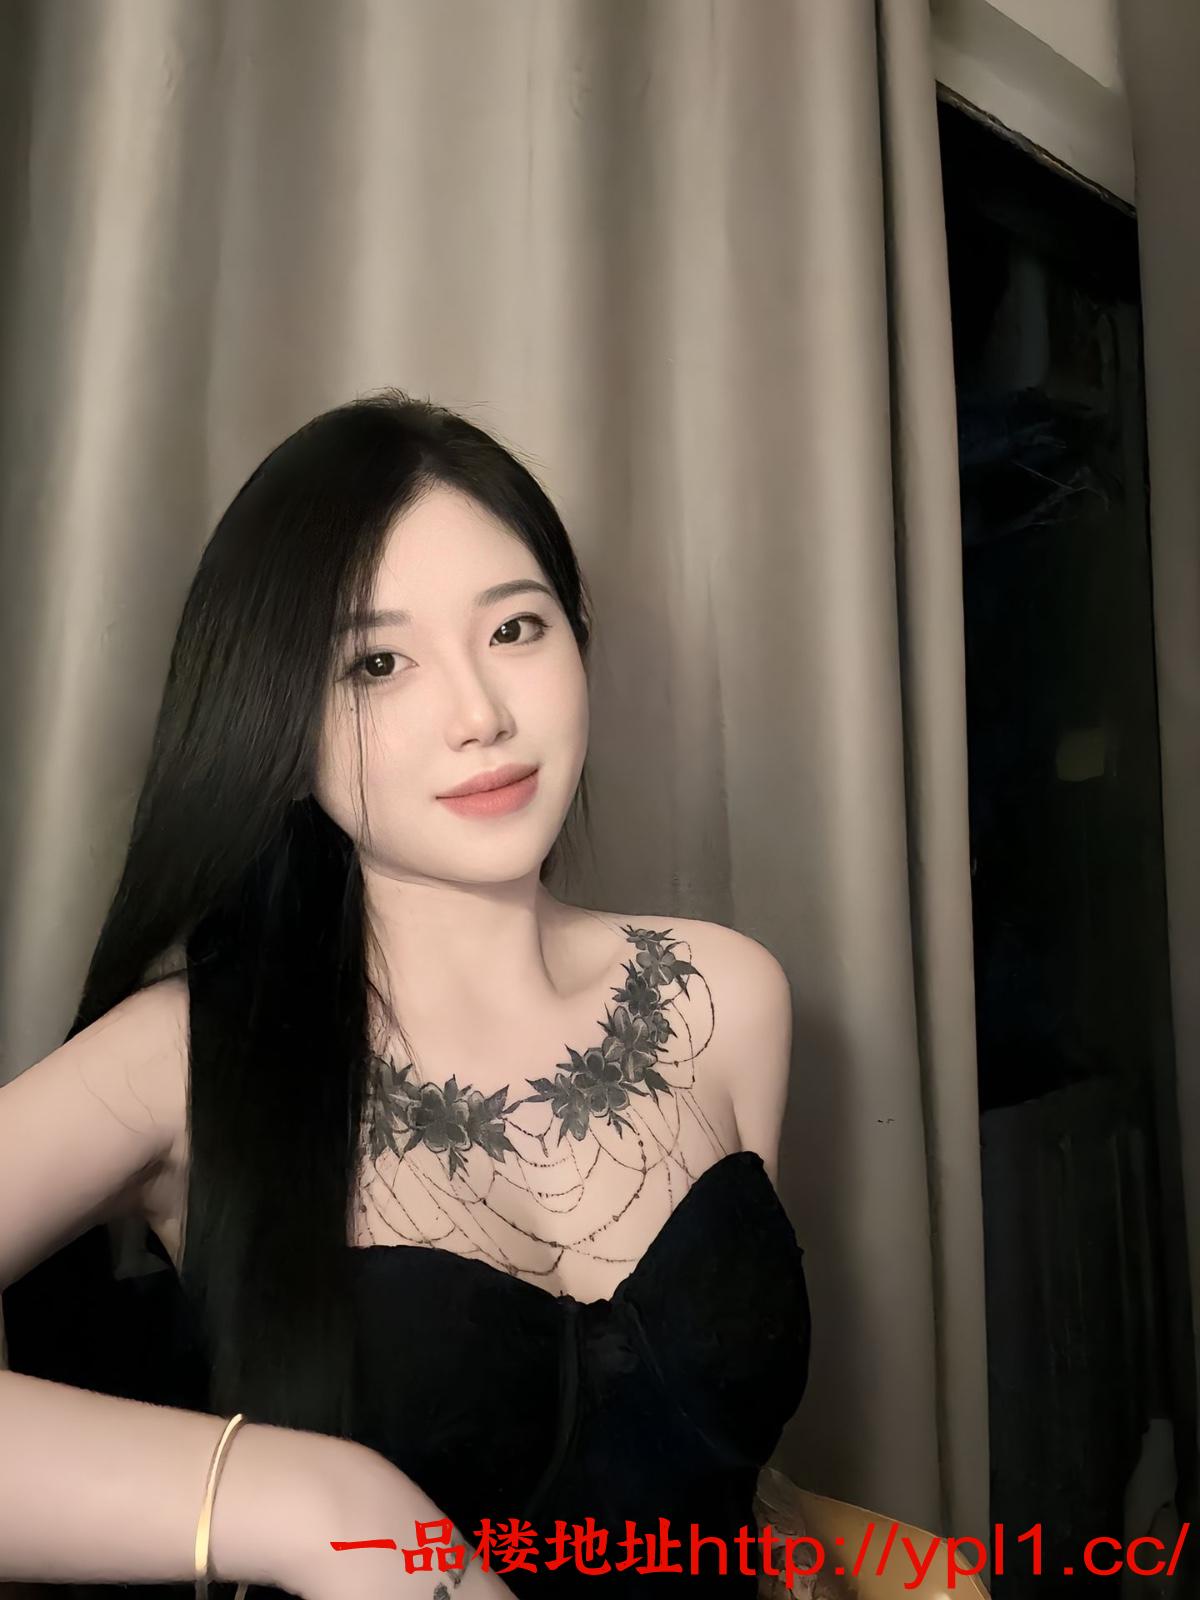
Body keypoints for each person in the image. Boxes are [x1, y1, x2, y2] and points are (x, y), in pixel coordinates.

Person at [0, 392, 811, 1599]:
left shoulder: (728, 997)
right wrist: (315, 1505)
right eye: (377, 662)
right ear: (278, 720)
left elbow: (728, 1479)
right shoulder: (185, 1056)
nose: (480, 714)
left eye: (516, 628)